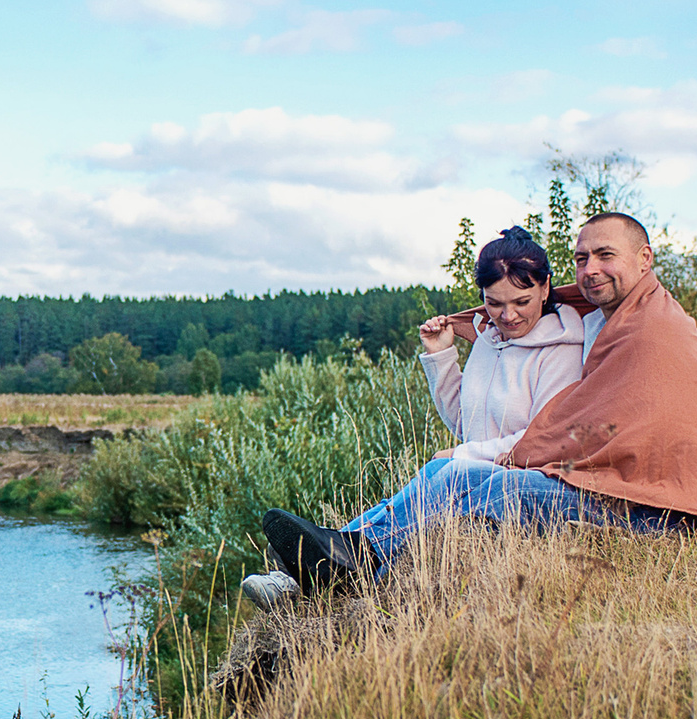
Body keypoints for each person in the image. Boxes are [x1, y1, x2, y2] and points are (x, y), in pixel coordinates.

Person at [255, 212, 697, 595]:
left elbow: (586, 429)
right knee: (456, 476)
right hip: (611, 486)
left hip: (646, 510)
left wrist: (482, 456)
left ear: (645, 258)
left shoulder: (652, 331)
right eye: (582, 258)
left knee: (472, 481)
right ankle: (341, 554)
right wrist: (445, 361)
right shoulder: (610, 321)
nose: (591, 269)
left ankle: (361, 564)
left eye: (606, 255)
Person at [241, 228, 582, 608]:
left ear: (545, 288)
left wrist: (463, 455)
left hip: (529, 477)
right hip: (484, 472)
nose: (508, 315)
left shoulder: (564, 350)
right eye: (494, 303)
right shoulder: (490, 340)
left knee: (445, 473)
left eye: (521, 301)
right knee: (422, 487)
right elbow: (465, 424)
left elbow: (545, 437)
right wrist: (441, 357)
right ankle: (298, 578)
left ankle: (341, 563)